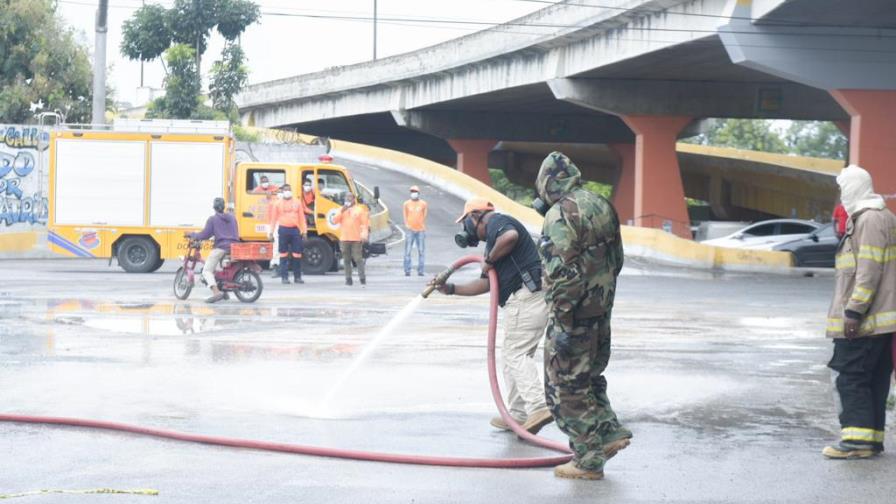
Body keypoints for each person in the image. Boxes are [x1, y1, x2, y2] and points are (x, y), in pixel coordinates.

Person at [533, 151, 631, 480]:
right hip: (601, 308)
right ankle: (610, 432)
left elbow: (560, 273)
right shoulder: (601, 203)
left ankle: (588, 458)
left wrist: (562, 320)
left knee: (564, 386)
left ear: (547, 183)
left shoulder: (560, 215)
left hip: (572, 315)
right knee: (590, 376)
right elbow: (617, 258)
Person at [436, 197, 554, 435]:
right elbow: (485, 284)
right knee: (512, 356)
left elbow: (510, 237)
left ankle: (539, 406)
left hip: (526, 298)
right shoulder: (493, 243)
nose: (467, 230)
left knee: (515, 353)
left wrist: (488, 260)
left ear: (475, 216)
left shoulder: (497, 222)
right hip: (524, 301)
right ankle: (519, 415)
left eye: (466, 222)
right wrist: (450, 289)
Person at [823, 164, 896, 459]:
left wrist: (853, 311)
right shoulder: (883, 217)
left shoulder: (868, 220)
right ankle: (871, 439)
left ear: (853, 188)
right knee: (874, 378)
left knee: (850, 376)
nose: (842, 194)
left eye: (844, 188)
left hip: (866, 320)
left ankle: (855, 442)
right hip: (881, 319)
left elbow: (867, 272)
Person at [189, 197, 239, 304]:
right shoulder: (232, 217)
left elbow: (204, 235)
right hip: (234, 247)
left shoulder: (213, 219)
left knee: (207, 270)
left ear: (214, 208)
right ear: (224, 206)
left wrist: (192, 234)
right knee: (220, 269)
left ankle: (216, 292)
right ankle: (223, 291)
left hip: (221, 247)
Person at [269, 183, 308, 285]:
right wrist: (271, 233)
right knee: (283, 254)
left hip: (295, 230)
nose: (287, 192)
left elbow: (302, 218)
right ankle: (284, 277)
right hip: (283, 230)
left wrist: (304, 232)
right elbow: (273, 220)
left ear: (291, 190)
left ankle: (297, 277)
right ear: (283, 191)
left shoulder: (297, 202)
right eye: (285, 190)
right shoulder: (277, 204)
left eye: (289, 190)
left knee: (297, 254)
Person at [334, 192, 369, 286]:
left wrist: (364, 235)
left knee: (358, 259)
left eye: (350, 197)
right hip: (344, 238)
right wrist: (342, 210)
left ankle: (362, 278)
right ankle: (348, 279)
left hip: (356, 239)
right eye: (346, 197)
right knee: (346, 260)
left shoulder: (359, 210)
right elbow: (335, 220)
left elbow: (364, 224)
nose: (348, 199)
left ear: (354, 199)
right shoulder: (341, 209)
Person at [403, 185, 428, 277]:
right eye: (412, 191)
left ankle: (421, 271)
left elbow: (424, 216)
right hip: (410, 230)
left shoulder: (423, 204)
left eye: (415, 191)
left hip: (420, 230)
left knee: (421, 251)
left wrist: (420, 225)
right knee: (407, 251)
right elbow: (405, 216)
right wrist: (407, 225)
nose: (413, 193)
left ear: (418, 193)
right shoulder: (406, 204)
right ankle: (407, 270)